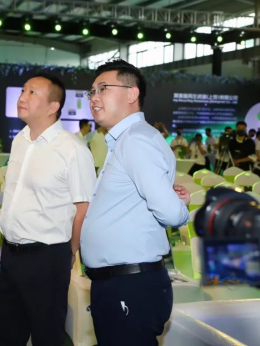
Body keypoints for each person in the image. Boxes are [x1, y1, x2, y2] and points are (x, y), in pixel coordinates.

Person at [80, 59, 190, 345]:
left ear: (132, 94)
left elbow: (170, 213)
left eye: (103, 89)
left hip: (130, 285)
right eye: (92, 91)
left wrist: (180, 208)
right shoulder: (126, 140)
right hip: (120, 283)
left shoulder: (135, 141)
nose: (94, 98)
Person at [0, 73, 96, 346]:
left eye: (32, 92)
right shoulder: (20, 140)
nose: (22, 97)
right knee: (7, 334)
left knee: (46, 335)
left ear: (53, 106)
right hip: (10, 253)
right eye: (23, 90)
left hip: (47, 258)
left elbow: (84, 207)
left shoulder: (72, 149)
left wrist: (70, 251)